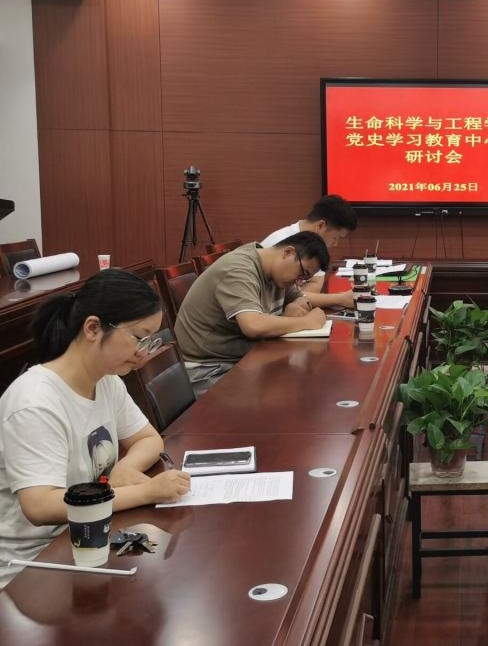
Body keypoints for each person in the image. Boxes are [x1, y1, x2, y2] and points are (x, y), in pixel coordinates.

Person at [0, 270, 191, 589]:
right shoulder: (35, 402)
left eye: (149, 341)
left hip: (89, 536)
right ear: (93, 328)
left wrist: (125, 468)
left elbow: (148, 438)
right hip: (30, 562)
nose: (144, 352)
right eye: (138, 338)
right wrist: (144, 492)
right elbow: (40, 506)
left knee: (176, 567)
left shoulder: (107, 381)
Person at [173, 231, 330, 396]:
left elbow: (300, 298)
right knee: (286, 396)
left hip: (243, 361)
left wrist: (296, 305)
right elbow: (253, 325)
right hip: (210, 370)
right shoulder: (238, 269)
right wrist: (307, 322)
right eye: (302, 273)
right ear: (288, 253)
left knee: (299, 383)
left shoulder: (276, 273)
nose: (299, 282)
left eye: (305, 278)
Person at [263, 194, 359, 310]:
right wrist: (340, 299)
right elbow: (282, 297)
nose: (335, 244)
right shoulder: (282, 243)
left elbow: (315, 284)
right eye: (336, 237)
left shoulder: (315, 246)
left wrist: (300, 299)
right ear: (320, 226)